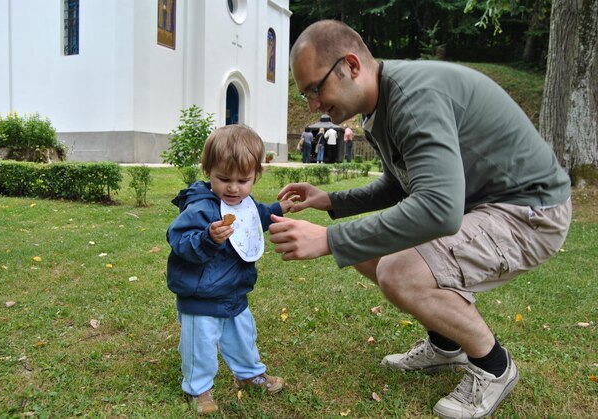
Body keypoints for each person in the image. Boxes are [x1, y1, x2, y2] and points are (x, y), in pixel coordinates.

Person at [269, 20, 571, 419]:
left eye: (314, 89)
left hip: (531, 211)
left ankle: (494, 367)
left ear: (352, 65)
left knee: (398, 271)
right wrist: (330, 201)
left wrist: (329, 240)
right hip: (486, 206)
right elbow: (401, 185)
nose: (312, 105)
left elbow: (440, 208)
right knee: (365, 251)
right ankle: (446, 345)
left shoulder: (413, 97)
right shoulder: (379, 106)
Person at [166, 124, 293, 415]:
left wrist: (279, 209)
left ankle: (249, 373)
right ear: (208, 171)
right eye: (224, 179)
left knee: (244, 337)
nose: (234, 188)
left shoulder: (244, 204)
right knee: (199, 346)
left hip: (234, 291)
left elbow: (257, 217)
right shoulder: (199, 209)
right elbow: (179, 242)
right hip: (201, 297)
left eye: (243, 180)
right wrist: (207, 238)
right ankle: (199, 390)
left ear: (255, 177)